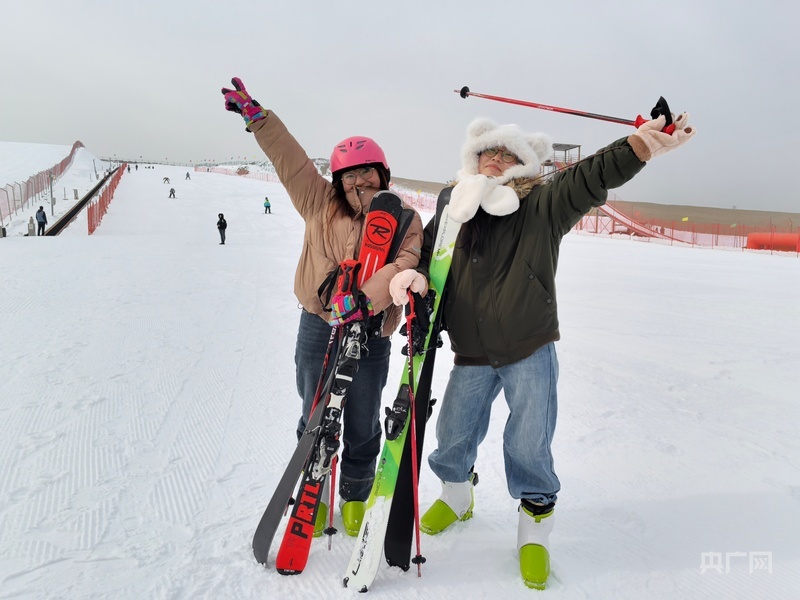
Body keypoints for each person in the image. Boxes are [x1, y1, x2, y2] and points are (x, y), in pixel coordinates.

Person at [389, 112, 695, 589]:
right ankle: (456, 495)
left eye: (508, 155)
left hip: (527, 345)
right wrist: (416, 277)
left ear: (524, 165)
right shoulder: (455, 204)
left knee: (529, 442)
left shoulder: (543, 203)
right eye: (489, 151)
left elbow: (590, 176)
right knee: (451, 433)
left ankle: (534, 530)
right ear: (475, 156)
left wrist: (637, 146)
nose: (496, 160)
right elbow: (431, 255)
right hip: (470, 348)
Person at [221, 77, 424, 536]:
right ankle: (311, 490)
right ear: (337, 179)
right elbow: (289, 161)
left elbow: (406, 263)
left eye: (367, 171)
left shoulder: (406, 218)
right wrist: (259, 119)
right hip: (318, 325)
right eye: (348, 173)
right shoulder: (318, 202)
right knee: (315, 409)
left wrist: (362, 301)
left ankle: (354, 493)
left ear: (383, 174)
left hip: (371, 331)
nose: (357, 180)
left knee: (363, 415)